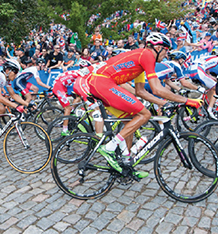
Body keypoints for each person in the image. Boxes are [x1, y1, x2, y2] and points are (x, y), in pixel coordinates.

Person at [86, 32, 203, 178]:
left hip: (100, 83)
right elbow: (156, 89)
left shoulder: (140, 60)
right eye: (166, 50)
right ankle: (109, 147)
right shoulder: (146, 55)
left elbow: (141, 92)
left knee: (130, 119)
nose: (166, 55)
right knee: (145, 114)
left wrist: (165, 103)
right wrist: (186, 101)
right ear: (159, 47)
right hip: (102, 83)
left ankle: (126, 164)